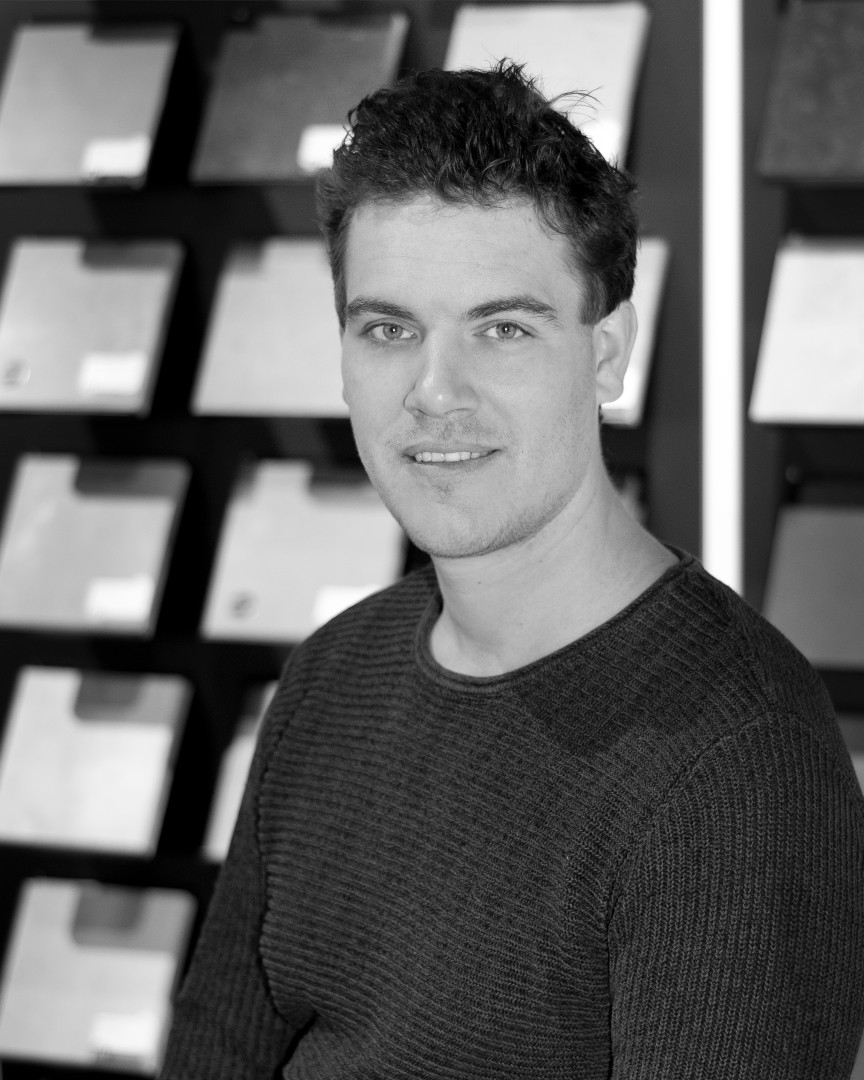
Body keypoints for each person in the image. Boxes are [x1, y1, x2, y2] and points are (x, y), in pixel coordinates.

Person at [162, 62, 864, 1078]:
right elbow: (216, 1050)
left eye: (502, 329)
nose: (434, 392)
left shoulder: (736, 766)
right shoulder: (330, 676)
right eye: (389, 329)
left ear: (607, 354)